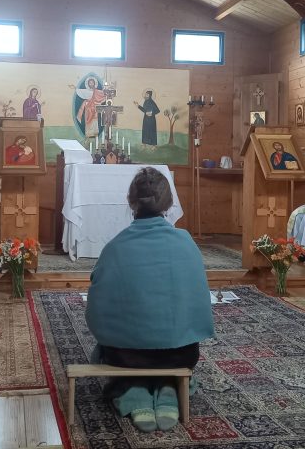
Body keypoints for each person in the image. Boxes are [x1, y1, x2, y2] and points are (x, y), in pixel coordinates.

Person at [86, 167, 214, 432]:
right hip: (182, 354)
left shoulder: (115, 247)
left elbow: (95, 313)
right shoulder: (186, 243)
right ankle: (169, 388)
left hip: (126, 355)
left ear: (131, 202)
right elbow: (199, 302)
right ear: (168, 203)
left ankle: (135, 390)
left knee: (125, 351)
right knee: (167, 354)